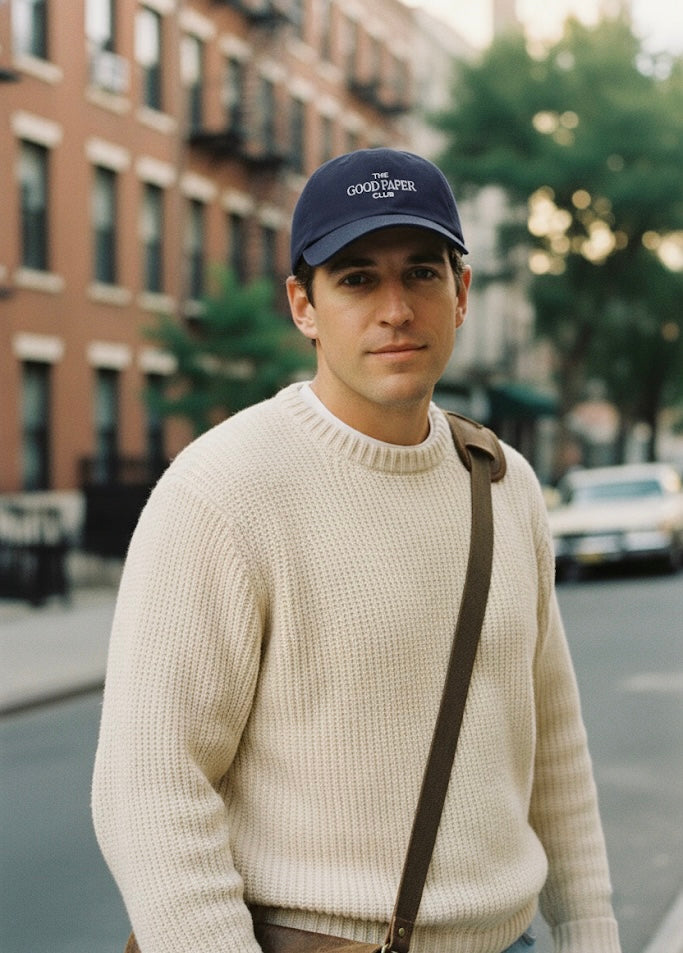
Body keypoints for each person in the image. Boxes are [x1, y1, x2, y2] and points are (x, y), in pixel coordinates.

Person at [92, 148, 621, 953]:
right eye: (355, 278)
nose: (395, 309)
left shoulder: (502, 483)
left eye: (419, 273)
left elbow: (552, 746)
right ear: (304, 305)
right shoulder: (222, 490)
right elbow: (147, 790)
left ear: (461, 291)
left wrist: (590, 932)